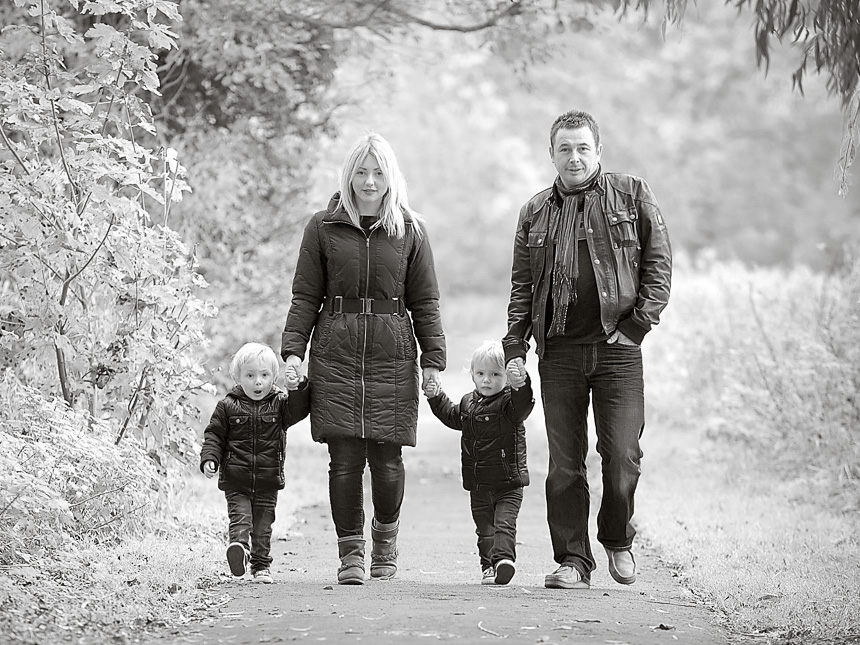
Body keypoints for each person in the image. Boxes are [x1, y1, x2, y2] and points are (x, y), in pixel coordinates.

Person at [504, 110, 672, 589]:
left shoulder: (633, 193)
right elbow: (521, 286)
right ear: (551, 154)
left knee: (622, 455)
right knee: (564, 464)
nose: (573, 157)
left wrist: (638, 325)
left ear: (598, 150)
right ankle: (573, 562)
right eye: (564, 149)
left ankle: (617, 536)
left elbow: (659, 265)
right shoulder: (534, 211)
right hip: (558, 352)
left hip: (617, 349)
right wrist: (516, 345)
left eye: (582, 148)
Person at [281, 132, 446, 585]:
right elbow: (304, 297)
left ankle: (385, 542)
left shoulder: (410, 229)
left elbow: (426, 301)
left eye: (378, 172)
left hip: (391, 353)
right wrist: (293, 352)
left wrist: (433, 358)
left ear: (391, 177)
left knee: (388, 461)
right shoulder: (322, 227)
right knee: (345, 460)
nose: (369, 181)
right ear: (349, 176)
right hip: (335, 351)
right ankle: (350, 552)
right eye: (361, 172)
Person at [423, 340, 534, 586]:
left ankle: (504, 561)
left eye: (495, 374)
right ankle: (488, 567)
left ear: (506, 376)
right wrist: (435, 397)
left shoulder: (510, 404)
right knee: (485, 530)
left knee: (504, 524)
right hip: (479, 484)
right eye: (481, 374)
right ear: (472, 374)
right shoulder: (467, 403)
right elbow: (451, 416)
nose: (487, 380)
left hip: (508, 482)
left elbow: (524, 403)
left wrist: (521, 385)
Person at [199, 342, 310, 584]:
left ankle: (261, 567)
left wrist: (298, 387)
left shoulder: (280, 404)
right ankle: (238, 548)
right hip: (235, 479)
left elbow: (300, 410)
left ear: (273, 377)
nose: (257, 382)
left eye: (264, 375)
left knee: (263, 527)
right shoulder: (227, 406)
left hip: (267, 480)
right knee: (241, 518)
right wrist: (210, 458)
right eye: (250, 375)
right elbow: (214, 436)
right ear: (237, 377)